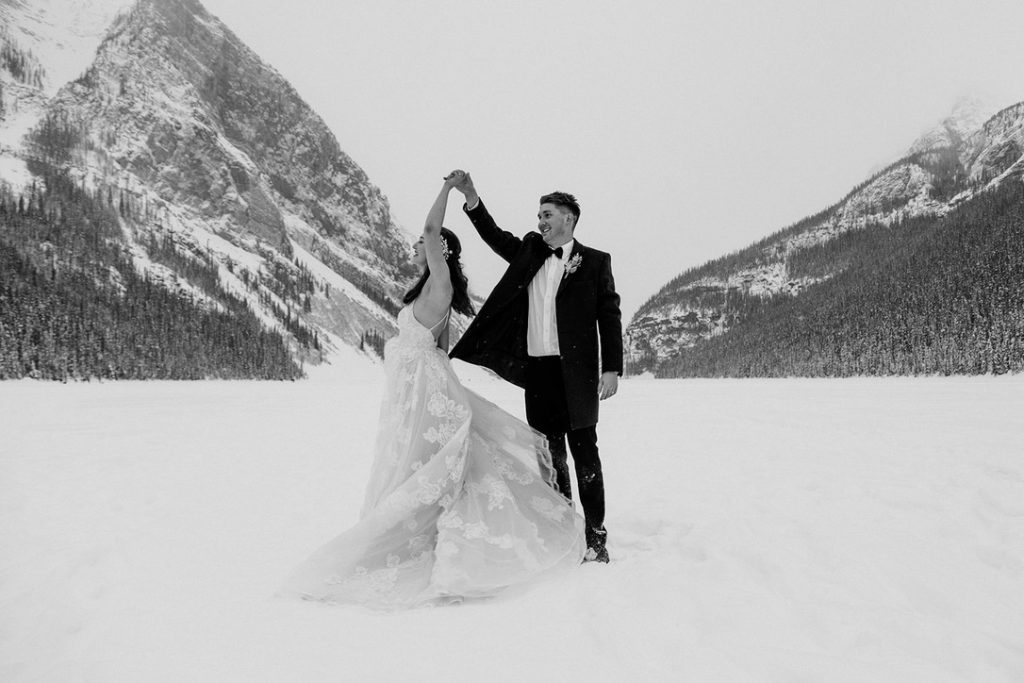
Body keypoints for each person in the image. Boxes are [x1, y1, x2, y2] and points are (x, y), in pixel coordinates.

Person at [279, 175, 585, 610]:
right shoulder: (432, 287)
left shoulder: (438, 280)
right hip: (420, 388)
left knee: (437, 470)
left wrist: (449, 190)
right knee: (423, 464)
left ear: (439, 249)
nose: (415, 248)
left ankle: (451, 540)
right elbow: (437, 349)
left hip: (425, 388)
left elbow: (429, 232)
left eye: (422, 245)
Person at [447, 170, 623, 563]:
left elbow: (609, 316)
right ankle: (562, 528)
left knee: (585, 454)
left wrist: (611, 368)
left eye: (547, 215)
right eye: (539, 215)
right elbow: (494, 237)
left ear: (568, 219)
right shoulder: (529, 251)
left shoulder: (595, 262)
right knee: (549, 455)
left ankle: (596, 538)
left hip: (576, 374)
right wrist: (471, 196)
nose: (540, 221)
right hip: (538, 373)